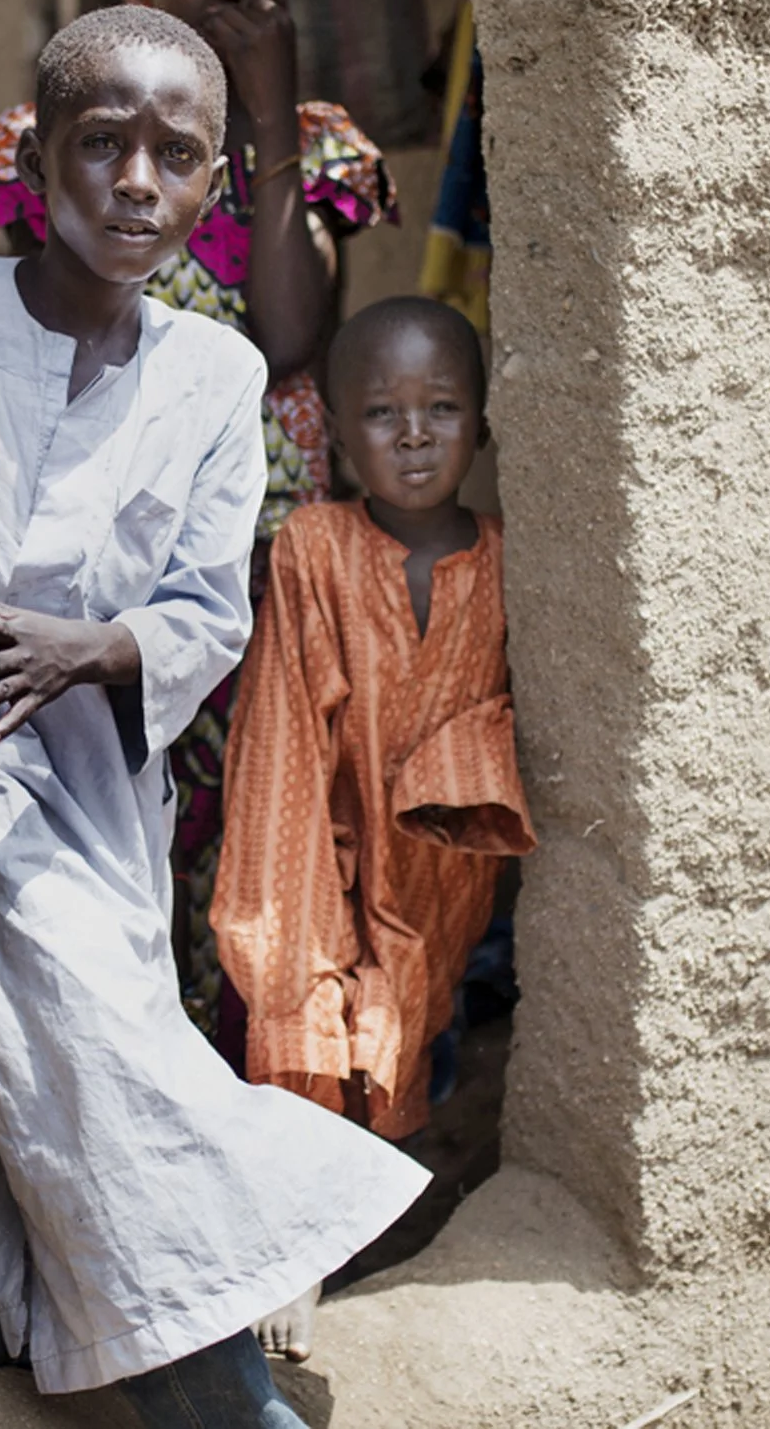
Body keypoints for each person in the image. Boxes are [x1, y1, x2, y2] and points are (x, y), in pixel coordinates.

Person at [0, 5, 427, 1426]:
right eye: (102, 145)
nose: (137, 184)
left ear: (218, 179)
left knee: (90, 1063)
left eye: (178, 154)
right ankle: (223, 1398)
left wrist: (97, 646)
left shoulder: (213, 375)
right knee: (82, 1053)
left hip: (94, 797)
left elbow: (209, 611)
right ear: (38, 158)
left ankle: (161, 1359)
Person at [0, 0, 398, 1072]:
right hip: (93, 553)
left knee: (245, 825)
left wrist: (266, 117)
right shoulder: (51, 137)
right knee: (87, 827)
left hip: (252, 561)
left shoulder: (310, 146)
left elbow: (292, 329)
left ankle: (218, 1088)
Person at [212, 297, 536, 1144]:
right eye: (382, 413)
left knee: (408, 1063)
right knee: (315, 1043)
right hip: (321, 858)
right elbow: (279, 755)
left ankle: (379, 1241)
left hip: (443, 884)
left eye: (442, 406)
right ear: (341, 437)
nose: (415, 433)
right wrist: (289, 931)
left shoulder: (511, 559)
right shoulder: (316, 547)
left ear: (486, 421)